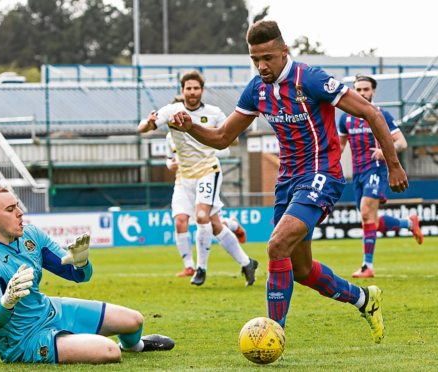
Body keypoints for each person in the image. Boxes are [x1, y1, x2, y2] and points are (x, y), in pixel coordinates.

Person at [169, 20, 409, 344]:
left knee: (276, 245)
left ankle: (270, 336)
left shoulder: (310, 79)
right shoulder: (257, 89)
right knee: (302, 270)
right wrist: (190, 128)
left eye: (267, 57)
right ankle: (366, 299)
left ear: (284, 51)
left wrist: (394, 165)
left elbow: (371, 112)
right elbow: (223, 137)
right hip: (288, 183)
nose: (262, 65)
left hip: (322, 174)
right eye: (255, 59)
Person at [0, 186, 174, 364]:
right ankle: (78, 342)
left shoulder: (31, 234)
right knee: (109, 351)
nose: (20, 212)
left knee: (134, 320)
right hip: (24, 339)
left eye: (17, 206)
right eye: (10, 209)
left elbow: (78, 276)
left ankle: (135, 347)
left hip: (50, 310)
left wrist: (81, 262)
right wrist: (8, 300)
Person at [138, 71, 258, 286]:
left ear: (202, 90)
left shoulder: (214, 113)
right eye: (188, 88)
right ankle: (247, 262)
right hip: (184, 179)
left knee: (201, 217)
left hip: (207, 172)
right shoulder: (172, 111)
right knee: (212, 224)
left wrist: (227, 135)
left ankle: (200, 269)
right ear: (182, 90)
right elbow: (142, 128)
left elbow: (233, 141)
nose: (192, 92)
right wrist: (148, 122)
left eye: (196, 88)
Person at [339, 75, 423, 278]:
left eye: (365, 89)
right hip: (357, 173)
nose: (361, 93)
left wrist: (385, 151)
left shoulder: (381, 114)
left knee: (366, 213)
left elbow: (401, 142)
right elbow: (340, 146)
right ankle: (409, 223)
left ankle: (367, 266)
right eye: (358, 90)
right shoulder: (345, 118)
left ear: (373, 91)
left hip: (376, 170)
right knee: (371, 220)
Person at [165, 131, 247, 278]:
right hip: (182, 182)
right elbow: (169, 158)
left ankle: (232, 226)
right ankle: (189, 266)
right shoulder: (170, 135)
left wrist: (203, 155)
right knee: (180, 221)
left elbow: (225, 150)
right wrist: (171, 164)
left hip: (205, 179)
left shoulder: (201, 129)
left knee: (213, 224)